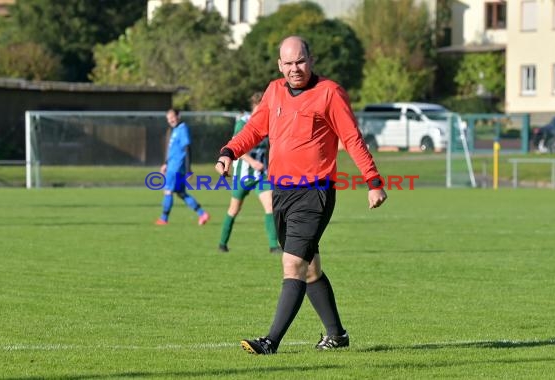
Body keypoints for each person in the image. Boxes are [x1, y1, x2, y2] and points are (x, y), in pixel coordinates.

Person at [215, 36, 387, 355]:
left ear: (312, 59)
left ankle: (270, 342)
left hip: (314, 193)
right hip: (281, 191)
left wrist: (373, 181)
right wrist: (229, 152)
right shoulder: (274, 91)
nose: (295, 69)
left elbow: (351, 138)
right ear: (280, 65)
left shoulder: (329, 93)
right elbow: (254, 129)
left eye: (301, 61)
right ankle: (336, 335)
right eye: (289, 63)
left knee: (292, 264)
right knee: (309, 268)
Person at [218, 92, 282, 254]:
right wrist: (252, 162)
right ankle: (222, 244)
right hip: (242, 175)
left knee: (270, 207)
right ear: (256, 106)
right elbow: (235, 146)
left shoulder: (268, 123)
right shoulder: (243, 122)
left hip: (261, 176)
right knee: (234, 209)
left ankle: (273, 246)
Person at [155, 109, 210, 226]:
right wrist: (166, 163)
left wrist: (188, 168)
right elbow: (173, 150)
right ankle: (202, 214)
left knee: (168, 191)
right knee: (181, 192)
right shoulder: (175, 130)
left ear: (178, 116)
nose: (170, 120)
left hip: (176, 167)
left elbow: (187, 148)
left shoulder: (182, 129)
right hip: (172, 165)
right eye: (168, 119)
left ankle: (163, 219)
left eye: (172, 117)